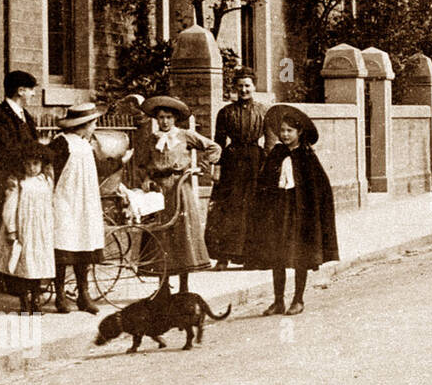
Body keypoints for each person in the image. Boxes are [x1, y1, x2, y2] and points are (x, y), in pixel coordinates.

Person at [243, 105, 339, 316]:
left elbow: (319, 188)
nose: (285, 135)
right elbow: (265, 182)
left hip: (300, 212)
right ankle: (278, 300)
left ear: (299, 132)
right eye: (283, 131)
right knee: (277, 255)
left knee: (299, 255)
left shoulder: (307, 156)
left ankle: (298, 299)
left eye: (290, 131)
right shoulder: (276, 153)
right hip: (278, 209)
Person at [135, 96, 222, 295]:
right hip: (158, 191)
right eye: (161, 118)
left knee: (181, 235)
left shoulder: (184, 136)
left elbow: (213, 147)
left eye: (168, 117)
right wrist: (146, 179)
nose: (164, 122)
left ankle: (184, 286)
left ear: (175, 119)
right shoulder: (151, 139)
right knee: (160, 235)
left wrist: (200, 167)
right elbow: (140, 164)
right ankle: (163, 285)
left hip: (179, 189)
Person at [204, 68, 268, 269]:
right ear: (234, 88)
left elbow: (270, 142)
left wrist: (268, 165)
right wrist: (216, 166)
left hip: (256, 162)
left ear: (254, 87)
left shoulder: (263, 111)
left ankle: (252, 257)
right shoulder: (225, 113)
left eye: (247, 85)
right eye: (240, 86)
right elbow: (219, 142)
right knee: (228, 209)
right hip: (232, 162)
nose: (244, 90)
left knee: (254, 207)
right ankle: (223, 257)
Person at [50, 102, 106, 314]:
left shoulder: (86, 145)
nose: (94, 127)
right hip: (64, 201)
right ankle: (60, 296)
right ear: (83, 125)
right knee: (63, 248)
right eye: (93, 123)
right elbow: (51, 171)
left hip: (85, 202)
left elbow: (97, 170)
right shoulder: (61, 143)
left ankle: (84, 294)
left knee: (84, 247)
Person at [0, 144, 55, 313]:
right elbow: (10, 207)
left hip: (40, 230)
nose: (32, 168)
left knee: (37, 266)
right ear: (22, 164)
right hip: (23, 229)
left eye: (36, 164)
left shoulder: (46, 181)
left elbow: (49, 204)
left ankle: (36, 299)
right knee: (24, 265)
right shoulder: (18, 183)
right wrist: (11, 229)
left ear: (42, 164)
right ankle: (24, 301)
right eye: (28, 164)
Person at [0, 70, 40, 191]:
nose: (34, 94)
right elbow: (4, 151)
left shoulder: (25, 114)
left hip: (27, 181)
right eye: (32, 90)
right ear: (20, 91)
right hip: (9, 182)